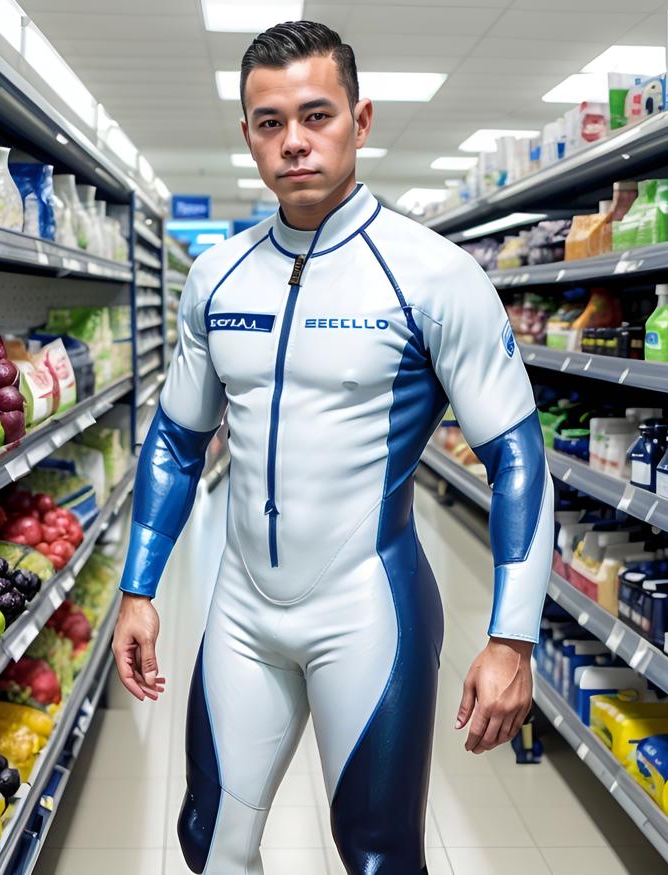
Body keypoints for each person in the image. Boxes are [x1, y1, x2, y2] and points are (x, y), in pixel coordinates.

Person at [111, 19, 553, 875]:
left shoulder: (433, 275)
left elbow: (516, 457)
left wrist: (513, 636)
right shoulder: (218, 276)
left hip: (368, 609)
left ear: (362, 118)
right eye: (270, 122)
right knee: (209, 842)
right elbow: (174, 436)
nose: (295, 142)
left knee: (379, 858)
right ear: (247, 134)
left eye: (317, 115)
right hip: (241, 610)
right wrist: (138, 588)